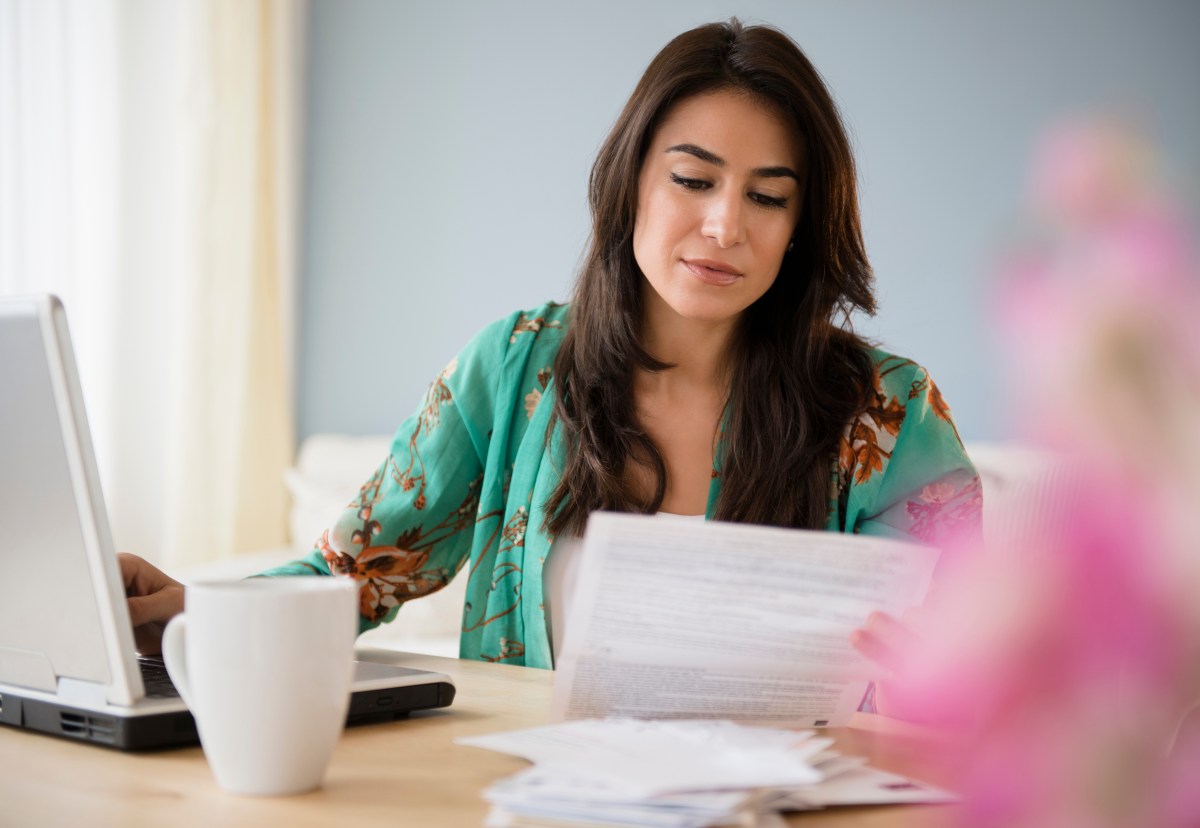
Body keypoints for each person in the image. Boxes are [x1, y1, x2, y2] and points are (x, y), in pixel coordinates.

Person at [121, 19, 981, 714]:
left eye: (766, 196)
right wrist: (204, 608)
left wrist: (943, 682)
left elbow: (981, 665)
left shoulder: (887, 412)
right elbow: (356, 573)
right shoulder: (515, 365)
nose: (725, 225)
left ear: (800, 226)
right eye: (693, 179)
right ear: (631, 180)